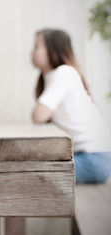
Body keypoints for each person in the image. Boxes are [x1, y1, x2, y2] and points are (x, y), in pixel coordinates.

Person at [31, 28, 111, 184]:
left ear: (54, 51)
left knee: (32, 174)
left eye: (36, 46)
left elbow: (39, 116)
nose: (32, 52)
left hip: (93, 158)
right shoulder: (54, 76)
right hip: (90, 157)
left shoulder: (64, 73)